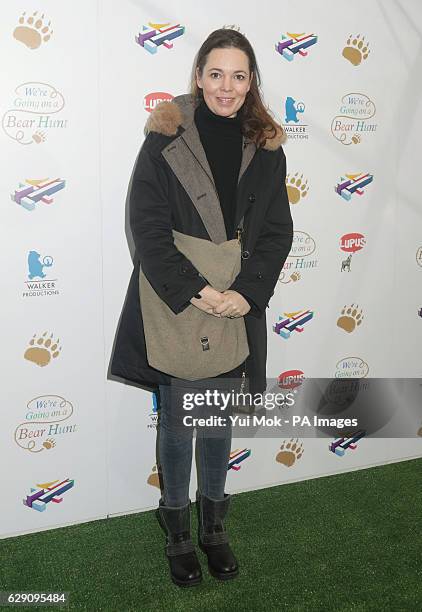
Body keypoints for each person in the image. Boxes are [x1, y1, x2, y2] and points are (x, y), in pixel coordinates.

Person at [110, 28, 293, 587]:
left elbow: (278, 231)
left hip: (238, 302)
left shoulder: (267, 146)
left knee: (216, 421)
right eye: (216, 74)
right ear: (198, 76)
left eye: (240, 75)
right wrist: (198, 290)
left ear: (251, 81)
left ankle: (214, 529)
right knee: (179, 421)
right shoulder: (164, 140)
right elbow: (145, 228)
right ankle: (178, 534)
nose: (227, 87)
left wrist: (246, 293)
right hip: (177, 300)